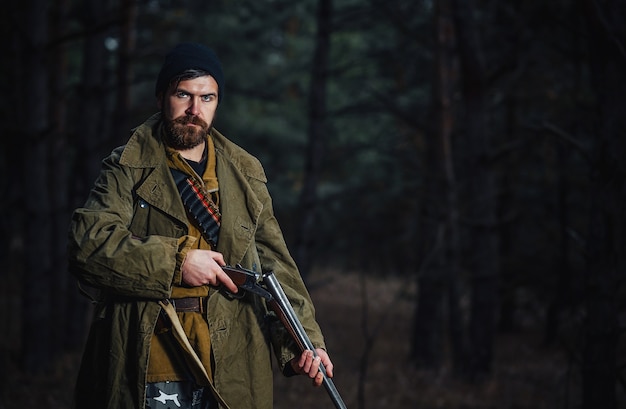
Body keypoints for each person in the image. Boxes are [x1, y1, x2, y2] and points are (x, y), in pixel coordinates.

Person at [67, 42, 334, 409]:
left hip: (233, 352)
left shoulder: (244, 173)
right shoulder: (126, 166)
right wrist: (178, 262)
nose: (195, 110)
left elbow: (275, 268)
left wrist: (306, 341)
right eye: (184, 95)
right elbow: (88, 245)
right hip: (151, 351)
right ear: (162, 96)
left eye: (207, 98)